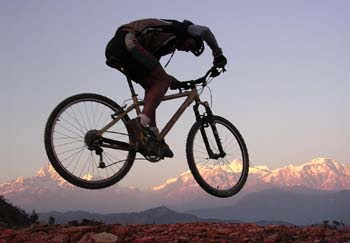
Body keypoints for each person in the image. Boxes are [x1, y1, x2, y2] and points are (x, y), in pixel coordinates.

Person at [105, 18, 227, 158]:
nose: (188, 50)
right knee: (163, 81)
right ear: (191, 36)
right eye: (192, 45)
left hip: (118, 48)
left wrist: (172, 81)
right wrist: (218, 54)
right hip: (127, 41)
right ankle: (140, 124)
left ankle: (154, 136)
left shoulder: (164, 43)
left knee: (153, 85)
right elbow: (205, 31)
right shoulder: (181, 28)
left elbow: (154, 67)